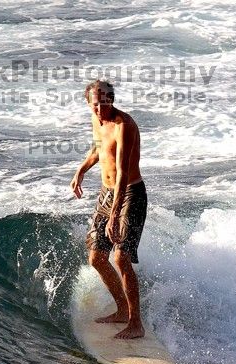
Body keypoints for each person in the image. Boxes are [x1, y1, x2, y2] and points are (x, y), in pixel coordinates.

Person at [70, 80, 147, 339]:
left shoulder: (124, 125)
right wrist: (81, 170)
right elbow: (98, 149)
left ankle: (136, 323)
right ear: (88, 104)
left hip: (130, 194)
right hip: (106, 193)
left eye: (105, 103)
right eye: (96, 105)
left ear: (112, 100)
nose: (101, 110)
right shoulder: (97, 120)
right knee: (96, 257)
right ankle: (122, 310)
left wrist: (114, 214)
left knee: (121, 257)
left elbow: (124, 171)